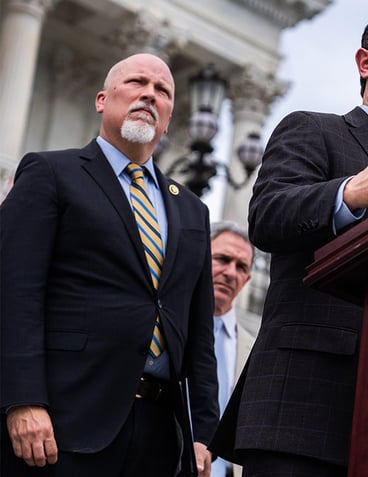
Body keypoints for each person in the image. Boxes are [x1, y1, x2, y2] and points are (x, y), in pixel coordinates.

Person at [209, 1, 368, 475]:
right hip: (304, 412)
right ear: (365, 63)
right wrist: (349, 193)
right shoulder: (314, 131)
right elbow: (266, 217)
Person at [0, 53, 218, 477]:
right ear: (102, 100)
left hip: (157, 435)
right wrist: (21, 399)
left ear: (170, 117)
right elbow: (12, 293)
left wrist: (202, 431)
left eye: (163, 91)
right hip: (62, 423)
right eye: (137, 82)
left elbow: (198, 330)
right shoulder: (51, 173)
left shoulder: (192, 210)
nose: (149, 95)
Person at [208, 221, 257, 477]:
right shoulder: (165, 331)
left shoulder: (255, 350)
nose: (230, 273)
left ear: (247, 279)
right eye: (222, 259)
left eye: (241, 267)